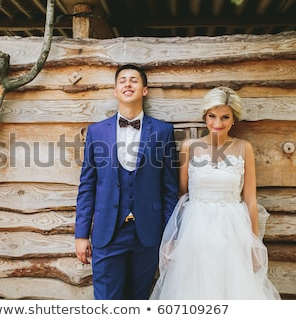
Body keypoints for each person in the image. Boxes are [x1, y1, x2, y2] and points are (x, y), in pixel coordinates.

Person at [150, 86, 281, 300]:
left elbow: (249, 199)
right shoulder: (189, 147)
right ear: (205, 116)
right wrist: (172, 239)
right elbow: (181, 197)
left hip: (233, 230)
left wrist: (254, 244)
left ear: (234, 119)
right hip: (195, 230)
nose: (217, 124)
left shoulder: (244, 148)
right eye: (212, 116)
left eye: (224, 117)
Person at [75, 64, 179, 299]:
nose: (128, 84)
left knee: (139, 301)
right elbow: (87, 187)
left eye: (134, 80)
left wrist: (169, 236)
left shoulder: (163, 132)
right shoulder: (96, 132)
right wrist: (81, 235)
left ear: (145, 90)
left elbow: (169, 189)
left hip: (148, 234)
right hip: (106, 233)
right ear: (115, 91)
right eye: (122, 80)